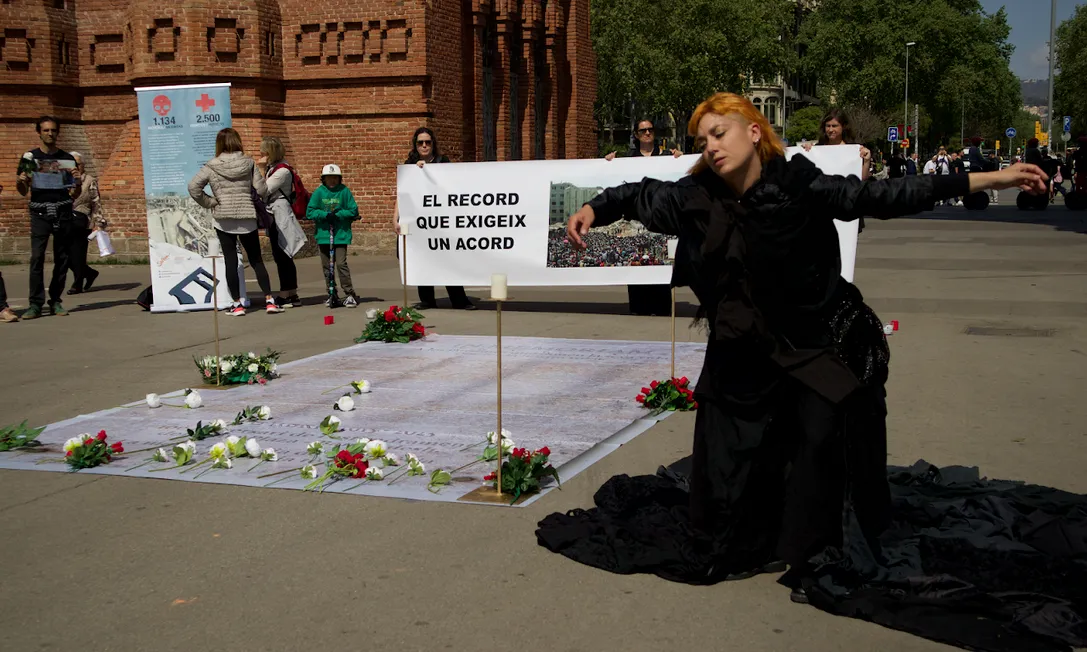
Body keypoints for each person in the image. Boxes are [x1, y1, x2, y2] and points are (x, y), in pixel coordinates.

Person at [539, 92, 1056, 647]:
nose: (711, 146)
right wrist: (595, 208)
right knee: (723, 446)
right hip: (743, 345)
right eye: (702, 139)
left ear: (755, 132)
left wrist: (987, 179)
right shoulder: (695, 197)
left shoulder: (799, 183)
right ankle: (745, 529)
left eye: (720, 133)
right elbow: (639, 194)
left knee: (820, 430)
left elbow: (882, 195)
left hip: (814, 339)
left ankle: (812, 538)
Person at [187, 127, 282, 316]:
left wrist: (210, 202)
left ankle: (237, 304)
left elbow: (193, 187)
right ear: (238, 141)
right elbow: (262, 190)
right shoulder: (249, 163)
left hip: (223, 218)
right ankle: (270, 300)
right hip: (246, 217)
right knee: (256, 260)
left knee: (230, 261)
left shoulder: (211, 165)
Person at [605, 119, 683, 316]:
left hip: (660, 214)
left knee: (661, 265)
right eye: (643, 130)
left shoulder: (667, 156)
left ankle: (662, 306)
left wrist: (680, 158)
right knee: (638, 268)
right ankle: (640, 306)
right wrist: (608, 163)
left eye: (650, 130)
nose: (647, 133)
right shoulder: (628, 158)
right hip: (637, 212)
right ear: (636, 135)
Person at [400, 128, 475, 310]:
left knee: (448, 258)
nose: (424, 146)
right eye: (420, 143)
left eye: (428, 142)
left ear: (433, 144)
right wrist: (396, 217)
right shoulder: (409, 165)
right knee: (423, 257)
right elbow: (403, 194)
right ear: (415, 145)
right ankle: (426, 299)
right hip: (420, 220)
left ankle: (459, 299)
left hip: (442, 218)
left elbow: (451, 186)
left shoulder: (443, 162)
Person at [15, 116, 82, 319]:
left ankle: (56, 301)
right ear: (39, 132)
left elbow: (74, 194)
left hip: (62, 212)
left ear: (57, 132)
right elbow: (21, 190)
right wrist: (21, 180)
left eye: (53, 130)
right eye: (46, 130)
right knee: (37, 258)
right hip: (40, 212)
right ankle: (35, 304)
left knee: (62, 259)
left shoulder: (67, 159)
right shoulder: (30, 158)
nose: (50, 134)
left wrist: (77, 183)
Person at [256, 136, 304, 309]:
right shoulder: (275, 168)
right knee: (281, 256)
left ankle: (286, 293)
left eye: (264, 151)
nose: (261, 154)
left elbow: (263, 190)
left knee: (283, 254)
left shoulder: (282, 171)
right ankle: (291, 293)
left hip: (280, 214)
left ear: (270, 152)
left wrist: (260, 170)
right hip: (275, 213)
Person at [306, 163, 360, 308]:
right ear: (323, 179)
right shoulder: (319, 192)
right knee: (327, 266)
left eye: (335, 178)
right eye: (329, 178)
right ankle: (331, 293)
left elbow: (353, 210)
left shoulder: (344, 191)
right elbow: (310, 211)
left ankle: (349, 293)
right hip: (324, 235)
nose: (332, 181)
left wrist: (339, 214)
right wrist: (324, 215)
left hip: (340, 234)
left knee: (341, 264)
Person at [67, 152, 105, 295]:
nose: (75, 167)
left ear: (83, 165)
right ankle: (89, 273)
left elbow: (96, 201)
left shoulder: (89, 180)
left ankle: (77, 284)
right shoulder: (63, 179)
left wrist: (99, 222)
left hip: (81, 220)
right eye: (72, 164)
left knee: (78, 254)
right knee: (65, 255)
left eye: (78, 164)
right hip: (64, 220)